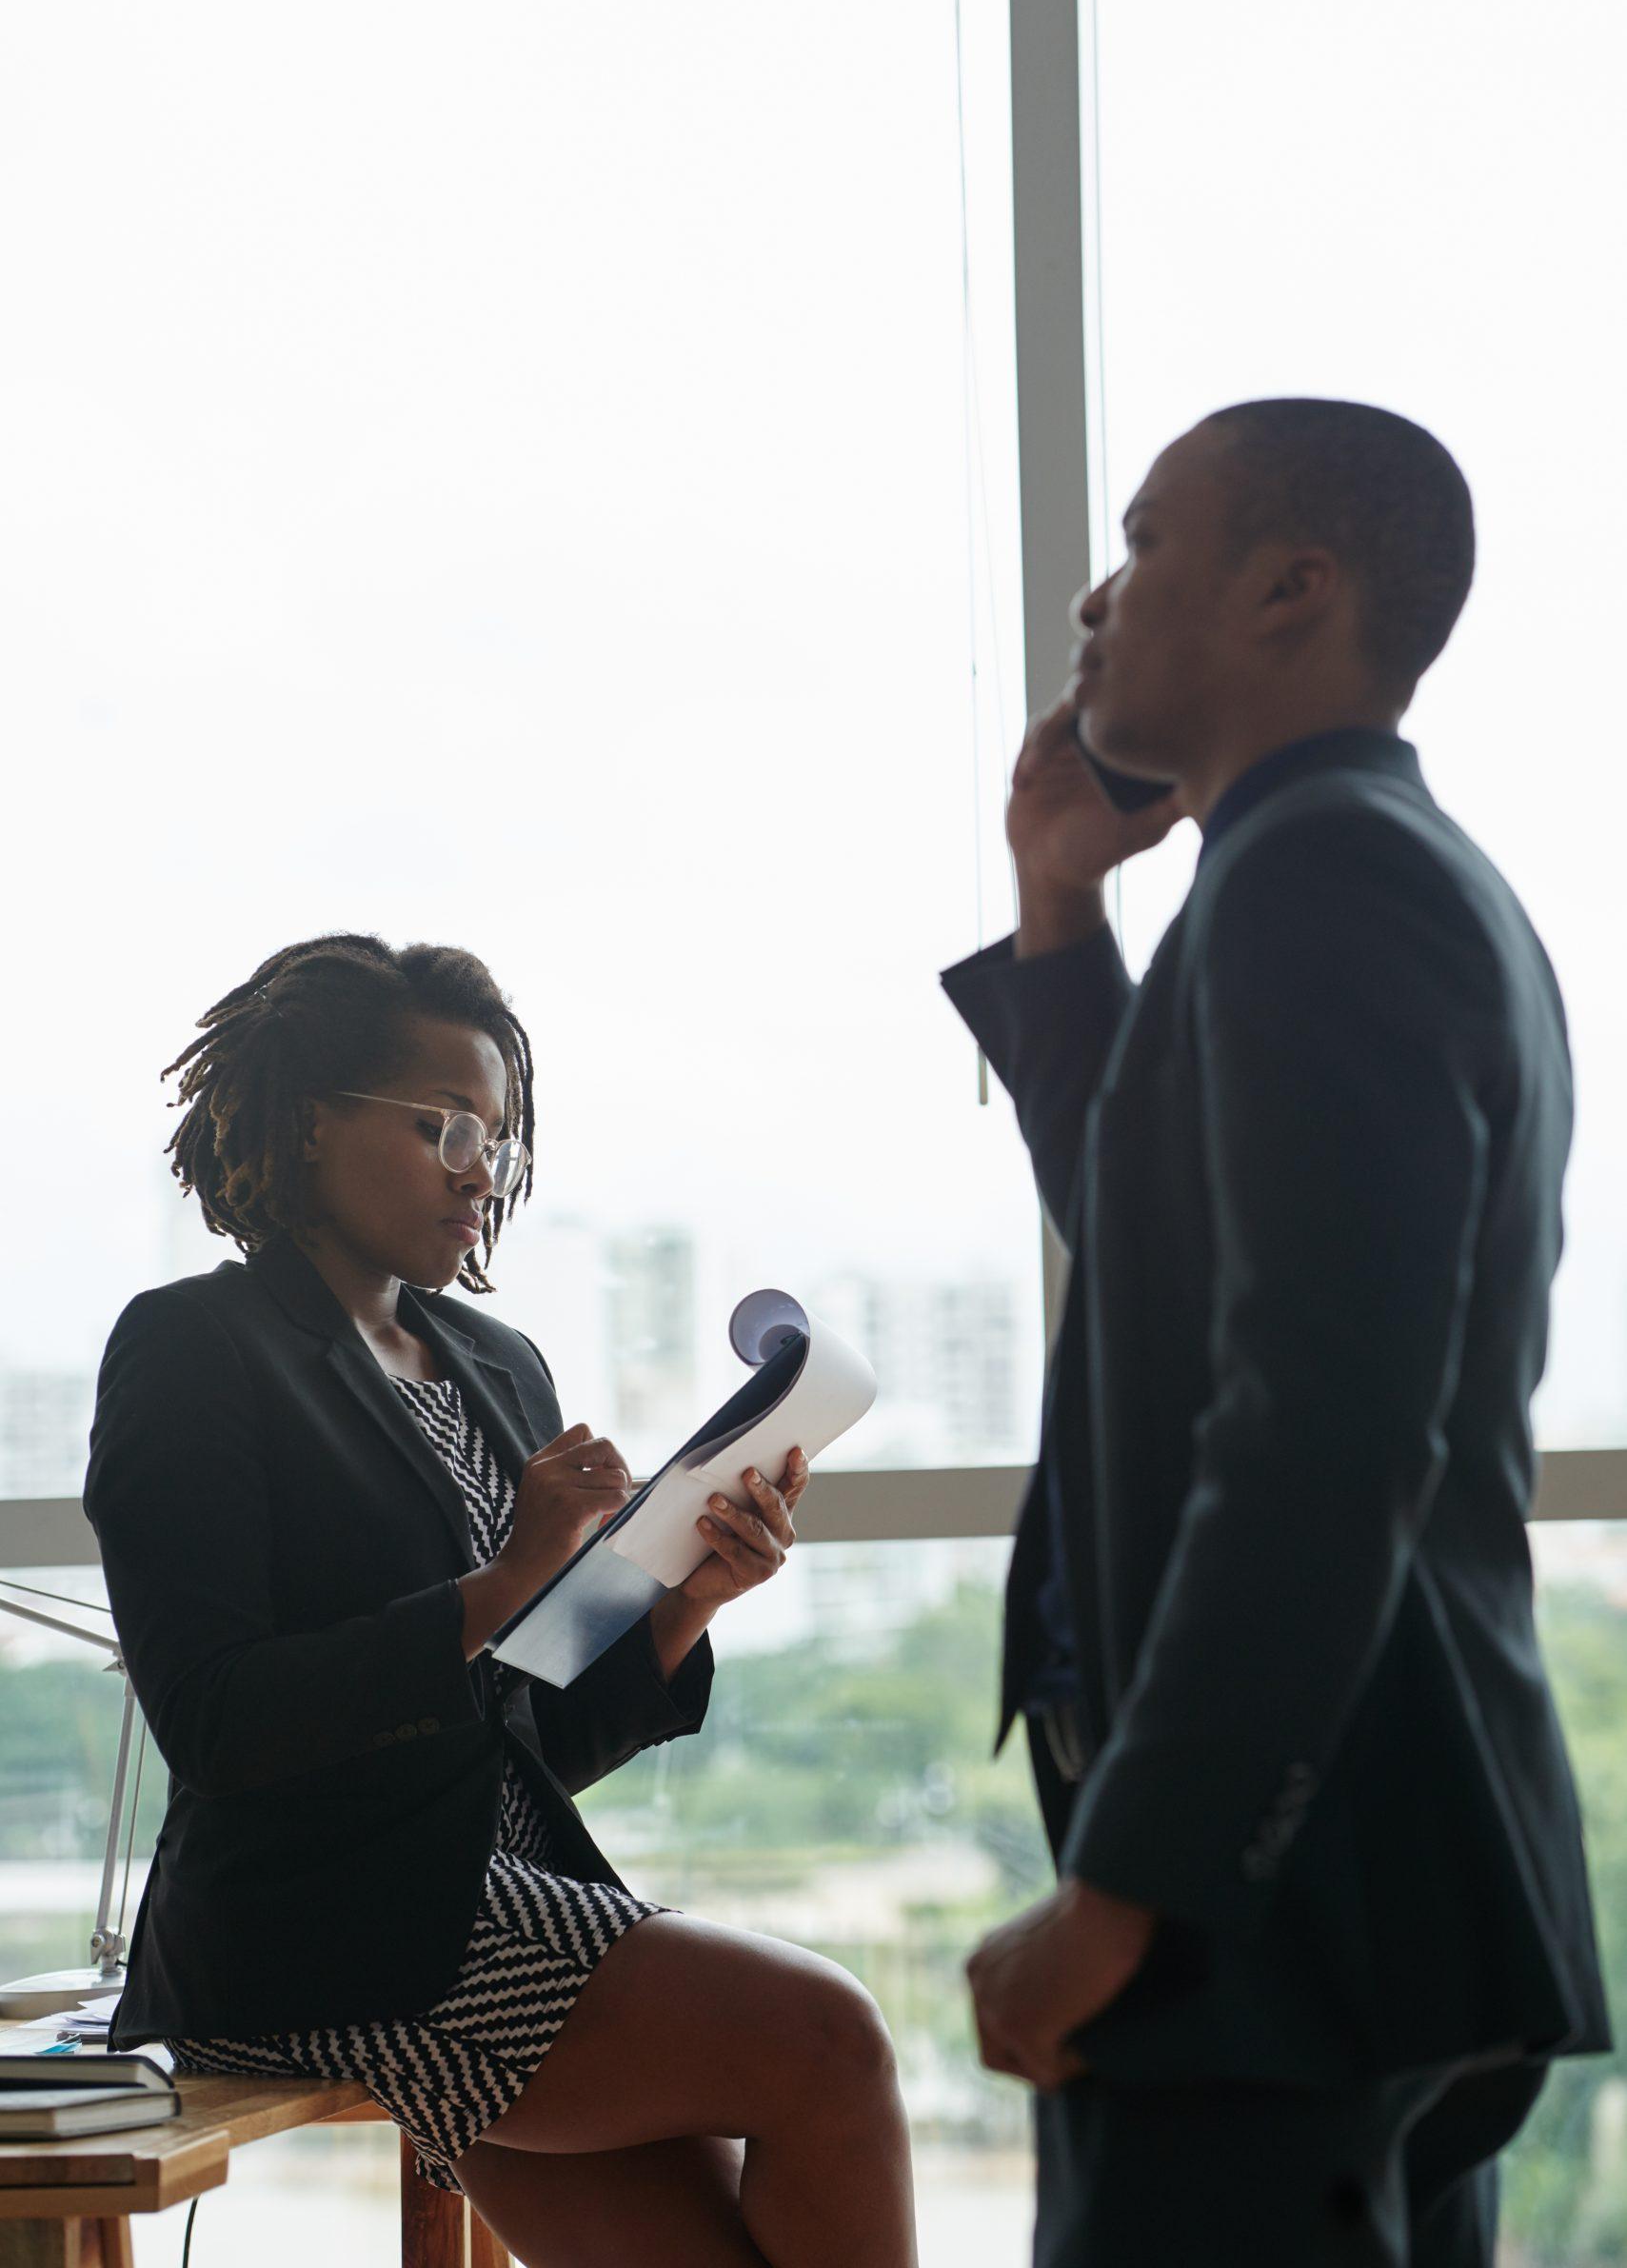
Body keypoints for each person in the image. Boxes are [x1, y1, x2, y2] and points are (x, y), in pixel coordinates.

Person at [942, 399, 1610, 2267]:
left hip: (1284, 1906)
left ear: (1292, 585)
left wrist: (1131, 1880)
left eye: (1147, 540)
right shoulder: (1330, 875)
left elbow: (1323, 1424)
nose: (1096, 596)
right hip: (1349, 1888)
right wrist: (1059, 906)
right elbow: (1173, 1249)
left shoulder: (1331, 885)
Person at [85, 934, 917, 2268]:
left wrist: (680, 1606)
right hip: (327, 1929)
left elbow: (527, 1740)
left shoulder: (494, 1362)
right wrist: (512, 1572)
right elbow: (218, 1720)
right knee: (829, 2040)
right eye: (448, 1127)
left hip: (491, 1898)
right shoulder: (194, 1350)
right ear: (309, 1125)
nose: (484, 1171)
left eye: (502, 1138)